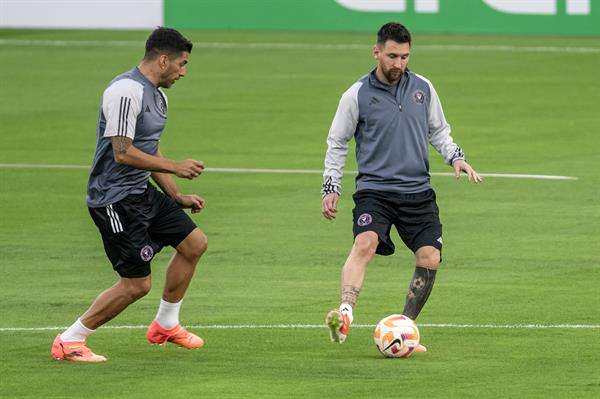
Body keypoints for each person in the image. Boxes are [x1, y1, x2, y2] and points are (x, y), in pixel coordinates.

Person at [322, 22, 483, 351]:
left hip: (417, 192)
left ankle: (405, 329)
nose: (398, 64)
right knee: (364, 244)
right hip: (375, 191)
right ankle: (345, 313)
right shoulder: (356, 95)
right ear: (376, 51)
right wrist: (331, 186)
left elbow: (438, 130)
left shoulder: (423, 88)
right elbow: (336, 142)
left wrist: (456, 157)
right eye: (392, 56)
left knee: (430, 256)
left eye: (405, 57)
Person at [51, 27, 209, 363]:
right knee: (136, 285)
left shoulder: (159, 96)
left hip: (141, 192)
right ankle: (70, 340)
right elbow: (123, 152)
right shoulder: (125, 91)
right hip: (114, 199)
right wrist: (175, 166)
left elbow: (148, 151)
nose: (183, 72)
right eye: (181, 64)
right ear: (162, 59)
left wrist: (176, 195)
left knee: (194, 243)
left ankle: (166, 325)